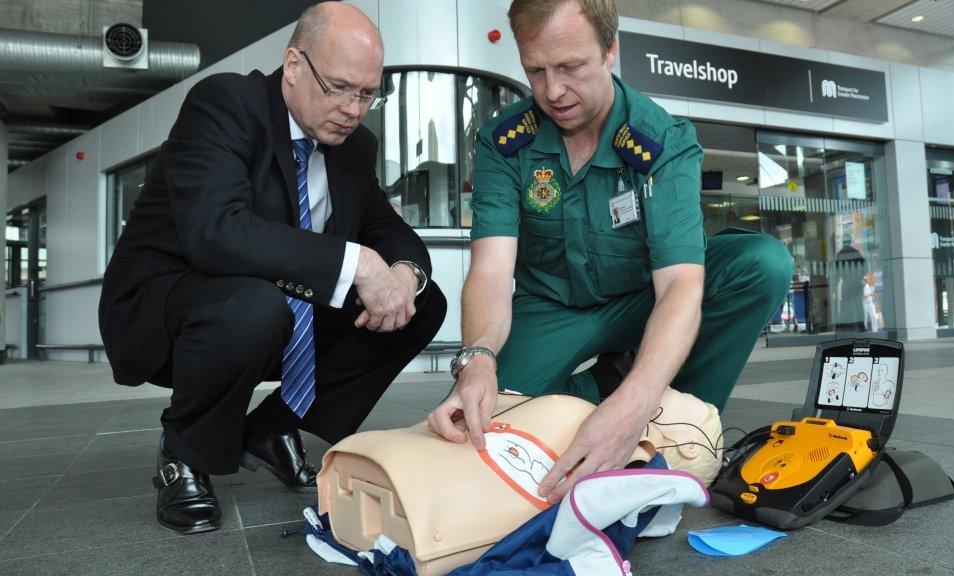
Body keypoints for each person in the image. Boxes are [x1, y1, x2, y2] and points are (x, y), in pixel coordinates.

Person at [98, 2, 445, 535]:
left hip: (275, 307)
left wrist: (401, 274)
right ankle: (183, 452)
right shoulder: (225, 105)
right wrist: (356, 264)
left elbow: (386, 228)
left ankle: (272, 428)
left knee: (422, 302)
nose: (353, 109)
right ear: (293, 65)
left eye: (367, 94)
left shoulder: (355, 146)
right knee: (253, 304)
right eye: (339, 87)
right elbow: (215, 231)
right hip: (170, 305)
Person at [427, 0, 791, 503]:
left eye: (571, 67)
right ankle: (607, 383)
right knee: (487, 427)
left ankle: (678, 417)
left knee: (762, 264)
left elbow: (680, 284)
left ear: (610, 50)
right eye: (535, 70)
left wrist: (636, 407)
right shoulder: (504, 141)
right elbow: (491, 268)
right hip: (550, 305)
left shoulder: (661, 139)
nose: (552, 91)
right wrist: (478, 360)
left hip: (643, 301)